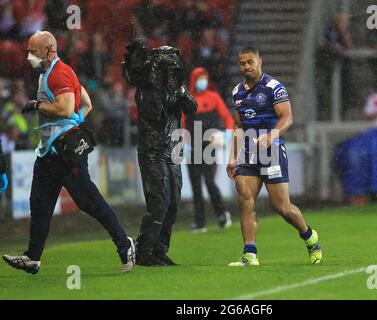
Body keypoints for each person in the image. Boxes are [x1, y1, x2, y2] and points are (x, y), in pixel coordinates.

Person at [2, 31, 135, 275]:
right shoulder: (56, 72)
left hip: (65, 152)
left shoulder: (59, 73)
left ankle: (124, 244)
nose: (29, 55)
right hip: (50, 152)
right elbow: (86, 103)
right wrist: (77, 121)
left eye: (34, 51)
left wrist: (37, 105)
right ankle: (33, 257)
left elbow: (64, 109)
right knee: (40, 204)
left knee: (89, 202)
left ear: (49, 49)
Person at [226, 47, 322, 266]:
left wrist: (272, 135)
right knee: (245, 200)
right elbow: (238, 126)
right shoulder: (237, 92)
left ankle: (309, 236)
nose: (246, 66)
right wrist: (232, 157)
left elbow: (287, 117)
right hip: (249, 152)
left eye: (250, 62)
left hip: (272, 151)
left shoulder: (273, 87)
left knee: (282, 207)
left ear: (261, 62)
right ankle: (250, 254)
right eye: (242, 63)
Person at [122, 40, 197, 266]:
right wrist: (157, 84)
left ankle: (160, 250)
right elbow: (155, 114)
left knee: (173, 201)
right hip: (153, 149)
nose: (173, 71)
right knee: (159, 201)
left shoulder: (177, 88)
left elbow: (192, 108)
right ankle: (144, 250)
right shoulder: (147, 89)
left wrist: (180, 90)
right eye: (169, 67)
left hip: (173, 147)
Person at [185, 66, 234, 233]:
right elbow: (182, 123)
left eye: (204, 78)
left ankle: (221, 214)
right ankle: (200, 222)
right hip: (193, 147)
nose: (202, 81)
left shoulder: (213, 97)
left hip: (209, 146)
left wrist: (227, 134)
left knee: (209, 182)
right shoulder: (188, 99)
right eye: (199, 78)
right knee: (196, 187)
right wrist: (184, 143)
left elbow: (227, 118)